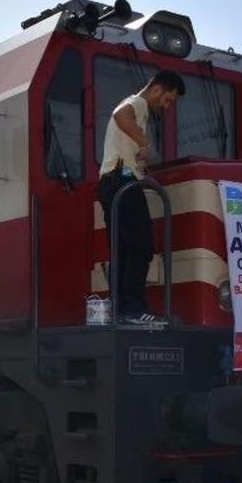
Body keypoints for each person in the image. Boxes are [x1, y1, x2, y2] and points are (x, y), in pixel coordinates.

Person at [97, 70, 186, 325]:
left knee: (123, 249)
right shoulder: (136, 103)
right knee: (142, 244)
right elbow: (119, 115)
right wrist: (145, 143)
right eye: (168, 100)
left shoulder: (141, 110)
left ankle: (121, 310)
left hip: (117, 181)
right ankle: (133, 309)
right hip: (120, 182)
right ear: (157, 89)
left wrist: (143, 174)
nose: (167, 107)